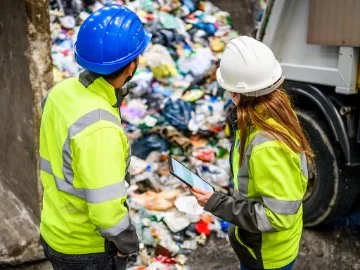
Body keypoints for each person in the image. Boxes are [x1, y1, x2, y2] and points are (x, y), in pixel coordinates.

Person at [39, 4, 151, 270]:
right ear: (132, 64)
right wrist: (127, 246)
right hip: (85, 248)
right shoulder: (101, 128)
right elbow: (107, 213)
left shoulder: (61, 92)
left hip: (54, 229)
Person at [190, 36, 313, 270]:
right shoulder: (271, 115)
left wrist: (217, 203)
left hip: (267, 256)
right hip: (262, 248)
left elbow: (278, 217)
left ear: (236, 93)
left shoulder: (267, 145)